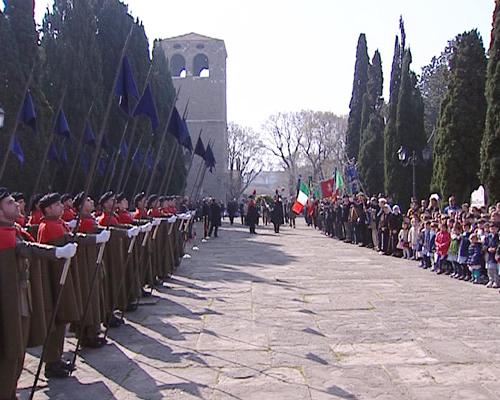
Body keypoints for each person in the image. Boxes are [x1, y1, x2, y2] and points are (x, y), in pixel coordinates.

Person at [0, 188, 78, 399]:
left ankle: (10, 391)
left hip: (21, 297)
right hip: (10, 301)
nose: (16, 205)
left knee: (18, 349)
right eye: (9, 203)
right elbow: (26, 248)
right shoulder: (4, 235)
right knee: (10, 348)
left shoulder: (12, 229)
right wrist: (56, 252)